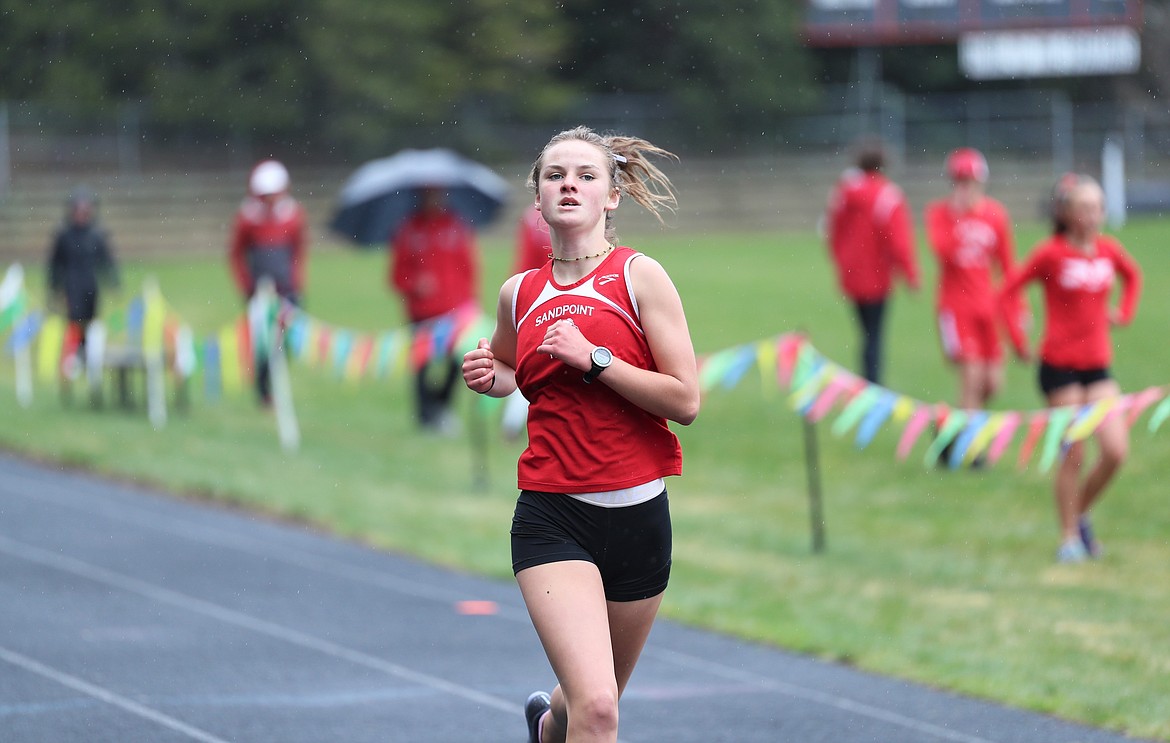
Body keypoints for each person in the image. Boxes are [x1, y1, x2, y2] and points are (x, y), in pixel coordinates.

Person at [461, 126, 699, 743]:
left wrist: (597, 360)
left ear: (612, 196)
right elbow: (514, 370)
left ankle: (546, 727)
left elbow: (685, 400)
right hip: (552, 516)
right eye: (554, 175)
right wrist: (492, 376)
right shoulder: (520, 293)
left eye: (586, 175)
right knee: (600, 711)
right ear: (537, 197)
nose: (569, 184)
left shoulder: (639, 277)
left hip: (639, 517)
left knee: (587, 703)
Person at [1000, 174, 1142, 563]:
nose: (1093, 216)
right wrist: (1017, 339)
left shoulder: (1109, 251)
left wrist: (1124, 313)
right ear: (1066, 213)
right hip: (1058, 367)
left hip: (1098, 367)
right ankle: (1068, 538)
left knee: (1115, 451)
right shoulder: (1051, 254)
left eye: (1098, 207)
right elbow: (1008, 291)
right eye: (1084, 208)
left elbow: (1133, 277)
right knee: (1073, 455)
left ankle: (1078, 515)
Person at [924, 148, 1020, 465]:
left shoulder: (996, 215)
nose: (965, 187)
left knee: (993, 383)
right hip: (955, 307)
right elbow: (944, 253)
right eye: (959, 180)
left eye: (971, 180)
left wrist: (1018, 309)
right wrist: (956, 215)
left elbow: (1008, 266)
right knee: (972, 377)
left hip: (988, 308)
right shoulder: (939, 214)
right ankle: (974, 450)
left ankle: (946, 427)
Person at [824, 138, 920, 384]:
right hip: (878, 275)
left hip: (852, 274)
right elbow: (899, 240)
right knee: (874, 334)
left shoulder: (844, 192)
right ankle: (873, 385)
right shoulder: (888, 195)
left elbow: (833, 232)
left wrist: (841, 261)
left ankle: (865, 381)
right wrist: (910, 275)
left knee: (865, 332)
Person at [390, 187, 480, 433]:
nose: (434, 199)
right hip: (421, 312)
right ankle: (425, 416)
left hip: (454, 312)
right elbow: (396, 275)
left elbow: (469, 267)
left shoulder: (455, 226)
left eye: (438, 194)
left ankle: (441, 407)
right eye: (428, 194)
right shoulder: (408, 229)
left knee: (458, 362)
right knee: (421, 366)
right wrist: (414, 284)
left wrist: (470, 302)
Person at [228, 159, 308, 405]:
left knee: (287, 342)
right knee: (262, 343)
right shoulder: (247, 218)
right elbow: (236, 254)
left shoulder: (293, 215)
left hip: (288, 290)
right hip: (259, 291)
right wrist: (247, 285)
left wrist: (296, 283)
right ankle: (264, 392)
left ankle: (277, 383)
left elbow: (299, 252)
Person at [47, 186, 121, 372]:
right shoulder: (64, 236)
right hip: (72, 284)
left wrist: (114, 282)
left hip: (90, 283)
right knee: (74, 321)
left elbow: (107, 260)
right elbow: (55, 263)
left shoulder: (97, 235)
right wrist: (54, 288)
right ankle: (73, 356)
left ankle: (89, 354)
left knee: (91, 321)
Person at [500, 208, 554, 439]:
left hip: (535, 294)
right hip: (544, 295)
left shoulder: (531, 218)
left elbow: (523, 262)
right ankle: (514, 421)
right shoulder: (539, 220)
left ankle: (514, 421)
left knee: (532, 362)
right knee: (533, 363)